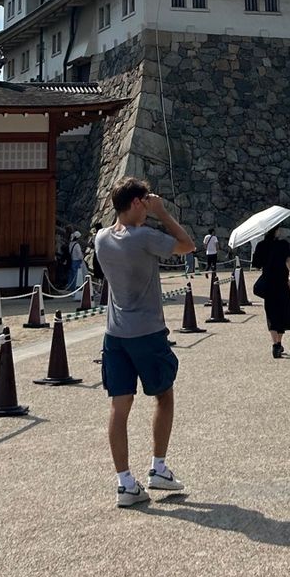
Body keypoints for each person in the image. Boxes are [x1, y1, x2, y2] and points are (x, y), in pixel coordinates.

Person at [93, 177, 195, 507]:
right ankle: (159, 468)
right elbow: (187, 245)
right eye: (145, 201)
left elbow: (117, 224)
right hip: (147, 332)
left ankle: (125, 484)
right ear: (137, 203)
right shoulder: (146, 238)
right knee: (164, 396)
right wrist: (163, 213)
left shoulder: (101, 239)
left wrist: (131, 206)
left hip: (115, 335)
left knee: (118, 408)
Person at [251, 226, 290, 357]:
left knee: (271, 312)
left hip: (268, 282)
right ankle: (279, 343)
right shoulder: (283, 244)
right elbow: (288, 260)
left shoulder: (261, 245)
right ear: (275, 231)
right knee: (283, 311)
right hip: (282, 282)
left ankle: (275, 343)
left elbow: (257, 265)